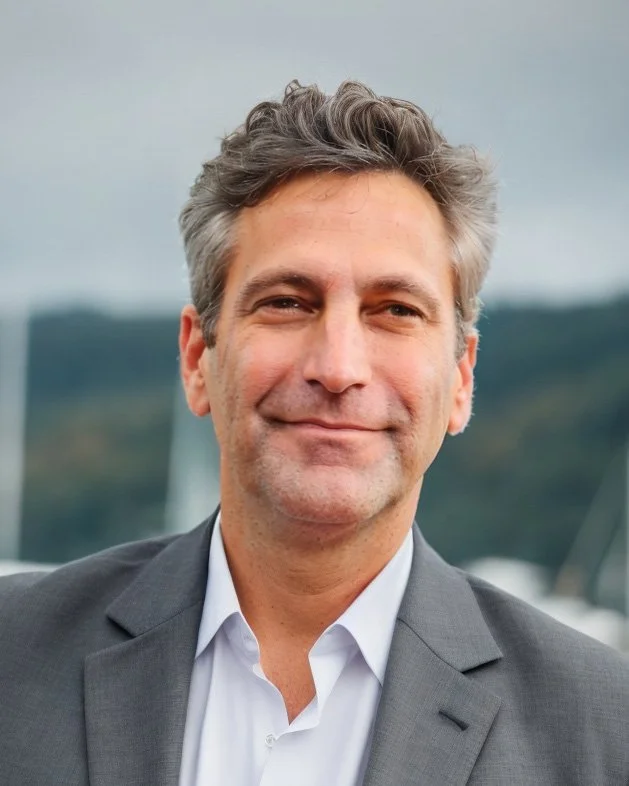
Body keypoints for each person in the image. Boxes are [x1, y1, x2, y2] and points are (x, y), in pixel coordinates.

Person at [0, 80, 627, 786]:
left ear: (460, 378)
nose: (336, 368)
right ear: (197, 359)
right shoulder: (10, 657)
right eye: (287, 302)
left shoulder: (602, 730)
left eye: (393, 310)